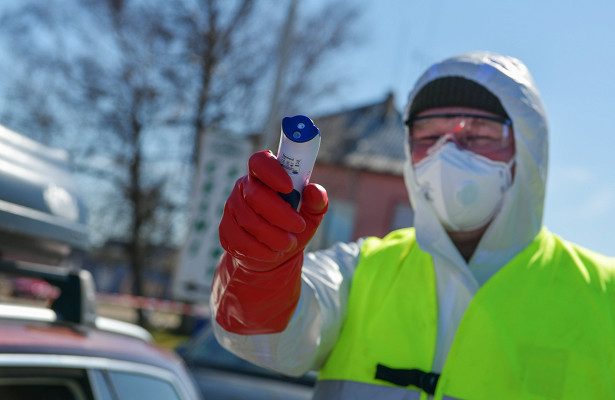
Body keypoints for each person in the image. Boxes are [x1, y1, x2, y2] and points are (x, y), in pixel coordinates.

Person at [209, 51, 615, 399]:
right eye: (429, 134)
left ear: (526, 150)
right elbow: (262, 342)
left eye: (479, 133)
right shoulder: (364, 269)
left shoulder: (605, 295)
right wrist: (258, 270)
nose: (448, 153)